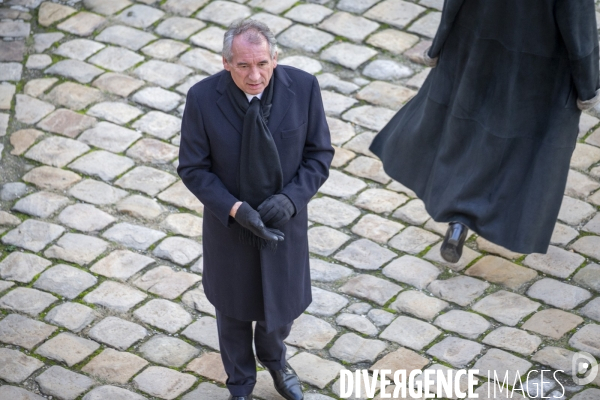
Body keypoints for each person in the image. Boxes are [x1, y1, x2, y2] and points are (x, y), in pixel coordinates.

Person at [370, 0, 600, 262]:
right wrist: (587, 85)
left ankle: (459, 221)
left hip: (476, 46)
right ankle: (481, 216)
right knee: (519, 149)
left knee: (469, 132)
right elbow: (579, 25)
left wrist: (438, 45)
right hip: (540, 68)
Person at [177, 19, 333, 400]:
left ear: (275, 58)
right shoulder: (201, 99)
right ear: (226, 62)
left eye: (262, 63)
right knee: (231, 314)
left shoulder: (305, 89)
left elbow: (319, 155)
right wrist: (234, 209)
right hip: (230, 228)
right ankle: (241, 384)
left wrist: (292, 199)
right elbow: (193, 168)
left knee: (281, 308)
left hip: (285, 227)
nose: (254, 75)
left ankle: (275, 359)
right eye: (244, 65)